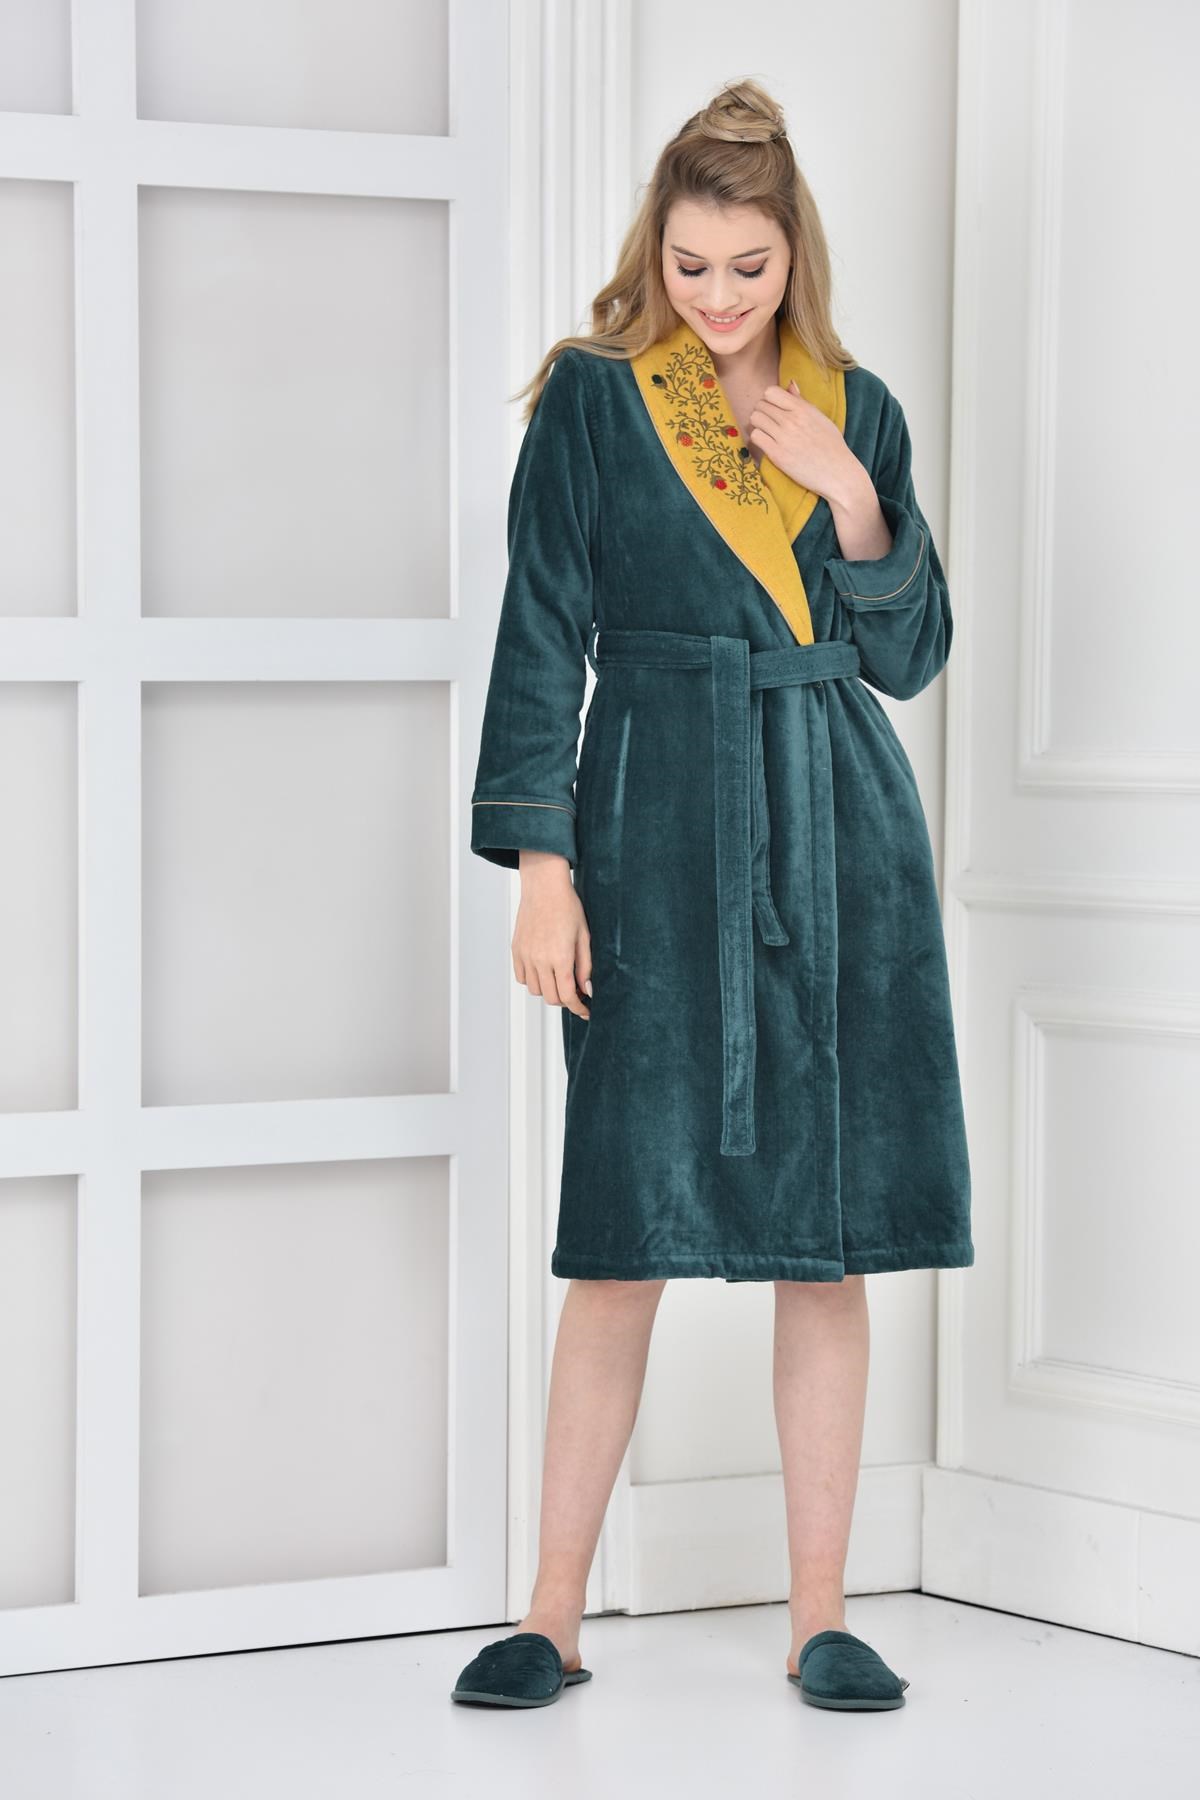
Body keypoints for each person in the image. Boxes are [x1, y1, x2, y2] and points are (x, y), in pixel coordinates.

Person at [452, 78, 972, 1713]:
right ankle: (551, 1615)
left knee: (828, 1247)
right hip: (650, 826)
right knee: (622, 1235)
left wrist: (854, 494)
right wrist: (545, 870)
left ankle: (821, 1618)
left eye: (748, 268)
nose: (719, 297)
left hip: (836, 833)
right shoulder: (599, 400)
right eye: (690, 266)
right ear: (655, 249)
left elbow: (907, 659)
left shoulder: (852, 406)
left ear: (793, 251)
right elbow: (543, 632)